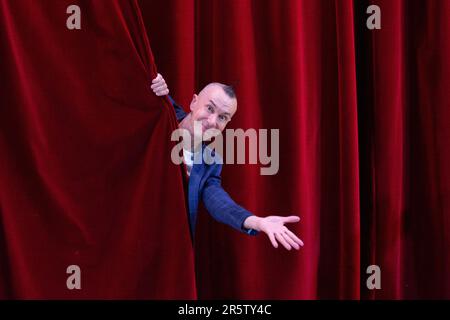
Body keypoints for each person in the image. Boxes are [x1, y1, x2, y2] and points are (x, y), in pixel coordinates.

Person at [151, 74, 304, 251]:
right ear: (194, 103)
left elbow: (219, 202)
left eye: (222, 117)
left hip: (166, 248)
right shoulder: (161, 111)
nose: (212, 122)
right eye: (209, 108)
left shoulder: (211, 163)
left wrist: (257, 222)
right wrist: (154, 80)